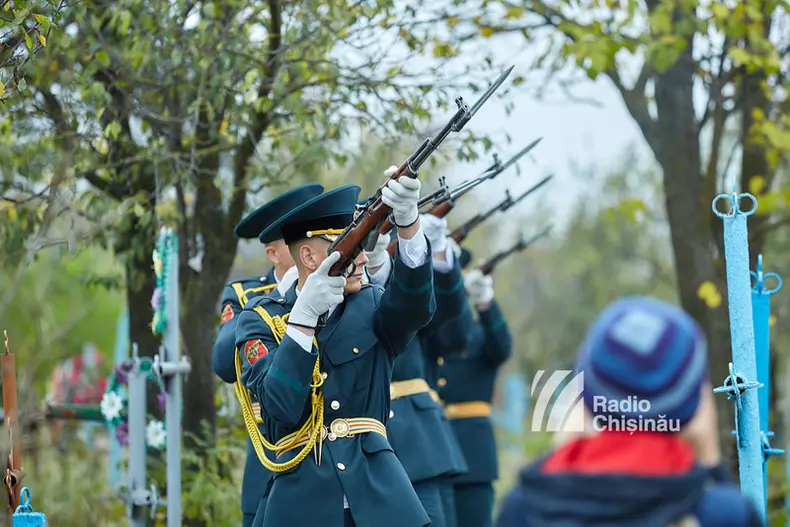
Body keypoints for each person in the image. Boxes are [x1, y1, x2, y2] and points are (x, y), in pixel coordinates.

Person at [235, 171, 435, 527]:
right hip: (301, 503)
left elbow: (416, 309)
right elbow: (280, 406)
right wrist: (302, 320)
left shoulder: (372, 304)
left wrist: (409, 225)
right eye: (348, 248)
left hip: (379, 497)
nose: (361, 259)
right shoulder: (260, 320)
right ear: (310, 257)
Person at [495, 296, 764, 527]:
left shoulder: (523, 508)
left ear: (584, 394)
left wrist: (563, 450)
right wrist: (711, 466)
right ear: (693, 402)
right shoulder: (723, 514)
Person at [210, 183, 323, 527]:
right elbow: (223, 364)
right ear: (275, 253)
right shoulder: (246, 294)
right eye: (297, 241)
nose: (309, 249)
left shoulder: (333, 287)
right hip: (271, 453)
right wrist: (285, 295)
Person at [363, 213, 469, 527]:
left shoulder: (402, 283)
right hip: (359, 445)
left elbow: (445, 315)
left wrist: (434, 249)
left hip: (416, 442)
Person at [426, 245, 512, 527]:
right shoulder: (425, 332)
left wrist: (486, 303)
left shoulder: (478, 333)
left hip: (471, 451)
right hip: (430, 449)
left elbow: (501, 349)